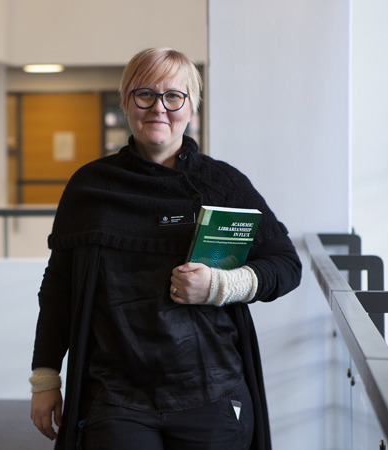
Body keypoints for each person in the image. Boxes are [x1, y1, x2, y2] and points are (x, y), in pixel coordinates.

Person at [29, 47, 301, 450]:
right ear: (126, 102)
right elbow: (58, 291)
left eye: (174, 96)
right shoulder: (90, 188)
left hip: (212, 393)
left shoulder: (223, 185)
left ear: (191, 108)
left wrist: (220, 286)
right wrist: (45, 378)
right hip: (115, 397)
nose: (159, 107)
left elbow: (285, 266)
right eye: (145, 94)